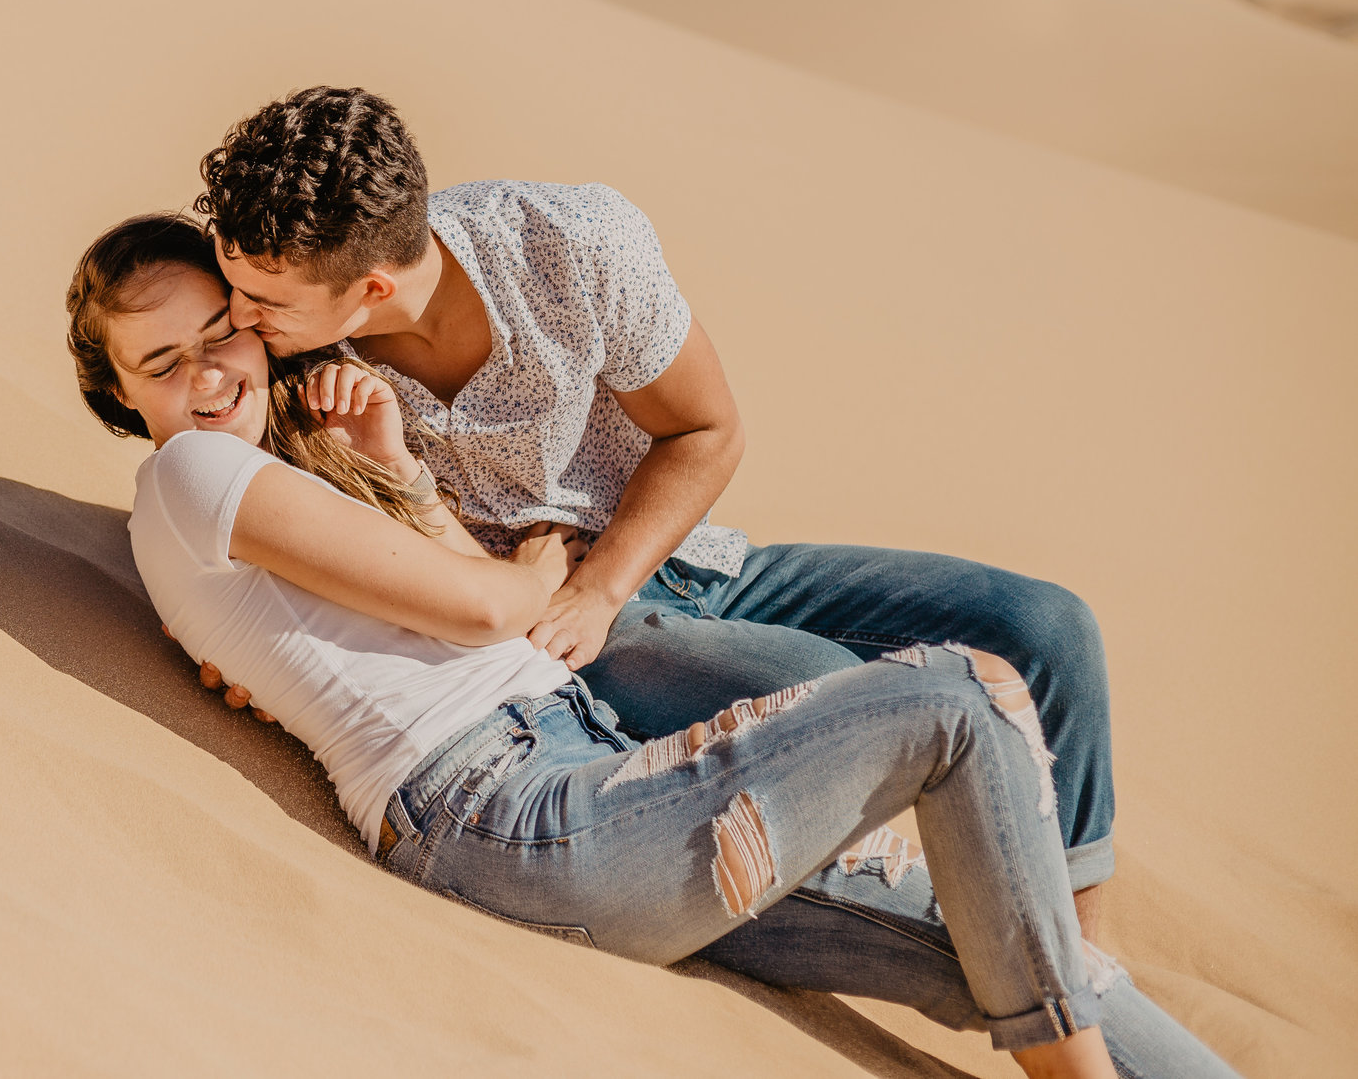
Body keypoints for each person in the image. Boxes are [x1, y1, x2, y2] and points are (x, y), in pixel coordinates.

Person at [64, 214, 1228, 1079]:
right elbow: (484, 611)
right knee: (953, 707)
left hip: (579, 774)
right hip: (504, 804)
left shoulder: (278, 465)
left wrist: (406, 473)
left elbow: (447, 601)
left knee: (1015, 943)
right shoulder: (190, 471)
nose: (209, 371)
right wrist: (541, 551)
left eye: (222, 332)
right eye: (160, 364)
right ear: (118, 397)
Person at [193, 85, 1119, 938]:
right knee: (819, 680)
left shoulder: (574, 245)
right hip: (535, 640)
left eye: (263, 299)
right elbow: (247, 546)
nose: (234, 315)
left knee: (1047, 626)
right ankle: (1025, 959)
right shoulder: (270, 373)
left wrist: (599, 585)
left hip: (673, 557)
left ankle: (1077, 949)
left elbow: (706, 430)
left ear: (373, 289)